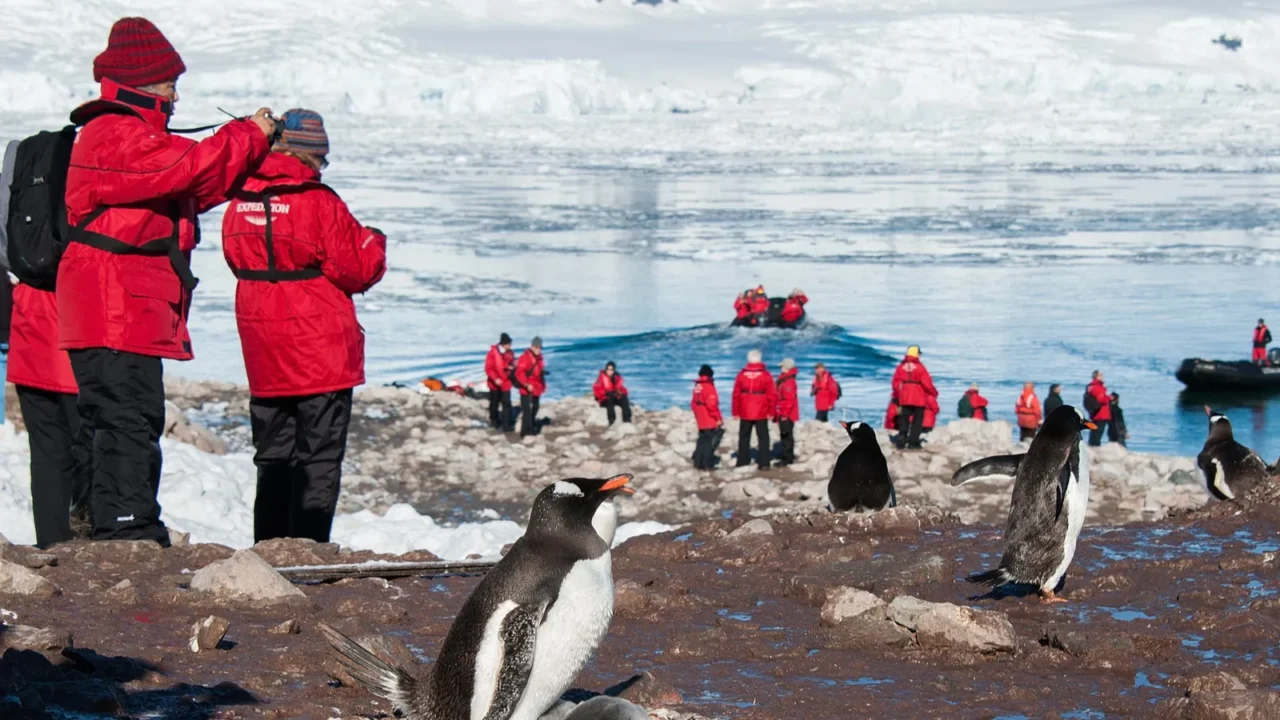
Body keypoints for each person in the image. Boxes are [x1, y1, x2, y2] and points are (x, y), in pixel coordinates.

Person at [59, 17, 276, 545]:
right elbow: (186, 168)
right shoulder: (115, 134)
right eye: (168, 84)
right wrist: (249, 133)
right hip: (116, 306)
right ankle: (126, 530)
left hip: (120, 304)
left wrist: (248, 149)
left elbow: (192, 184)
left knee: (115, 415)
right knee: (128, 417)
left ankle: (102, 521)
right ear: (140, 82)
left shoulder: (128, 138)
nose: (176, 96)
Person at [221, 109, 386, 544]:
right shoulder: (320, 202)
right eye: (322, 159)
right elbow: (358, 269)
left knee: (274, 456)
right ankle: (308, 551)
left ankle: (269, 549)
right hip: (320, 354)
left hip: (264, 350)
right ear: (309, 156)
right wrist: (374, 238)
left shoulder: (239, 200)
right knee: (319, 458)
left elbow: (236, 258)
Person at [732, 350, 776, 469]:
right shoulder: (766, 375)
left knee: (744, 436)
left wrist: (735, 411)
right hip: (761, 410)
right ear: (760, 359)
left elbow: (736, 394)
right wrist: (772, 411)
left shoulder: (741, 374)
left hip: (745, 409)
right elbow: (772, 395)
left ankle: (742, 461)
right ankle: (764, 463)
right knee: (763, 437)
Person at [891, 345, 937, 450]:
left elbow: (895, 383)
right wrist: (933, 392)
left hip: (904, 398)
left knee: (903, 419)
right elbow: (927, 384)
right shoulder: (921, 368)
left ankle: (901, 440)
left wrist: (900, 393)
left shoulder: (900, 368)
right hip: (918, 398)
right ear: (916, 354)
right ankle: (913, 442)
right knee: (917, 421)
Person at [691, 365, 723, 470]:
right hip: (708, 416)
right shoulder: (709, 386)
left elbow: (693, 403)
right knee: (709, 441)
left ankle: (698, 463)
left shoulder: (697, 386)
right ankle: (707, 464)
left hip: (700, 415)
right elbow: (712, 405)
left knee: (701, 440)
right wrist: (718, 418)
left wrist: (697, 414)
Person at [515, 337, 546, 437]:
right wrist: (526, 384)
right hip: (526, 388)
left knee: (535, 408)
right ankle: (525, 432)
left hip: (536, 387)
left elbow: (539, 372)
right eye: (536, 347)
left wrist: (543, 385)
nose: (538, 349)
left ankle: (531, 427)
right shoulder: (525, 357)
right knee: (527, 410)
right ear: (532, 346)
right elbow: (519, 372)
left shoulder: (540, 358)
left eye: (540, 347)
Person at [484, 333, 515, 431]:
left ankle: (506, 425)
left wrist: (511, 367)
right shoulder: (492, 353)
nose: (510, 345)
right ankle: (494, 421)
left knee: (506, 403)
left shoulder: (510, 353)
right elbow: (488, 368)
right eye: (508, 343)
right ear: (503, 344)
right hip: (494, 383)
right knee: (494, 403)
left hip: (506, 382)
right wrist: (495, 378)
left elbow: (511, 364)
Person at [774, 358, 799, 466]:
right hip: (785, 411)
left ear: (787, 367)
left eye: (782, 366)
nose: (781, 368)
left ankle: (787, 458)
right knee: (786, 434)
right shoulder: (786, 379)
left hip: (787, 413)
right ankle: (787, 454)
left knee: (786, 435)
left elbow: (789, 400)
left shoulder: (788, 382)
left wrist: (784, 414)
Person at [593, 361, 632, 425]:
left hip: (614, 396)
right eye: (608, 369)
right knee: (609, 400)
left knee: (624, 398)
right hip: (604, 398)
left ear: (614, 370)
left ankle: (627, 419)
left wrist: (622, 393)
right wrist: (606, 393)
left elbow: (621, 388)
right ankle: (611, 421)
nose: (609, 371)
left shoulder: (617, 377)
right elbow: (596, 389)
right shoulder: (601, 378)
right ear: (606, 369)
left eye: (611, 370)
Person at [1084, 370, 1111, 446]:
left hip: (1095, 412)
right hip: (1101, 413)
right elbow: (1102, 399)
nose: (1102, 376)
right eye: (1101, 375)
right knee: (1098, 433)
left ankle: (1092, 447)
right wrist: (1109, 398)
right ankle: (1095, 448)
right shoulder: (1097, 387)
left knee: (1095, 432)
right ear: (1097, 376)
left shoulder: (1090, 387)